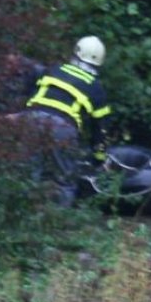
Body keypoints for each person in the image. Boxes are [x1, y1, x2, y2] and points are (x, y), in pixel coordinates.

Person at [14, 36, 112, 206]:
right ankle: (58, 222)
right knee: (64, 181)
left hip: (31, 119)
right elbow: (100, 129)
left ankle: (21, 219)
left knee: (28, 174)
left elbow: (31, 91)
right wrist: (99, 159)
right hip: (62, 127)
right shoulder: (96, 88)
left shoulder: (54, 70)